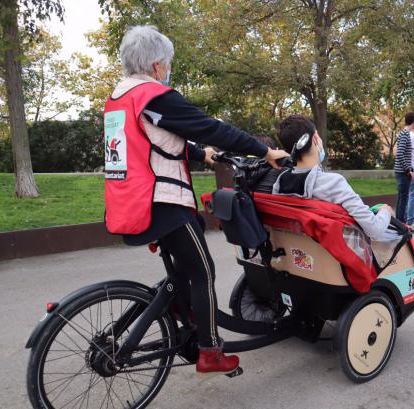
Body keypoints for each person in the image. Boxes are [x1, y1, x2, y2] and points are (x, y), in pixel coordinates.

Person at [103, 25, 289, 374]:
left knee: (186, 269)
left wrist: (200, 154)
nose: (168, 69)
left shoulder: (120, 98)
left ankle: (181, 311)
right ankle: (210, 350)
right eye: (168, 63)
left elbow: (151, 142)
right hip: (163, 202)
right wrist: (264, 151)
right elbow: (212, 128)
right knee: (203, 270)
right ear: (157, 64)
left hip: (131, 201)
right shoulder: (154, 95)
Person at [271, 115, 394, 241]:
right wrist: (385, 211)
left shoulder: (280, 183)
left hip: (297, 253)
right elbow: (374, 230)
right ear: (314, 139)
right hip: (331, 256)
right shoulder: (334, 183)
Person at [393, 112, 414, 225]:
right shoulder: (405, 134)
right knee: (403, 199)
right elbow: (399, 154)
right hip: (403, 172)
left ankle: (400, 223)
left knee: (402, 198)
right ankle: (401, 224)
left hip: (401, 171)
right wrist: (409, 169)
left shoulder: (405, 133)